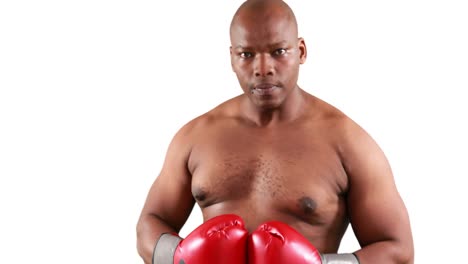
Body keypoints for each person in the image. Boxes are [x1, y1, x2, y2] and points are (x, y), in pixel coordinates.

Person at [136, 0, 414, 263]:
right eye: (247, 54)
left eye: (278, 52)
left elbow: (398, 250)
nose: (263, 69)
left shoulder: (349, 143)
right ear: (232, 58)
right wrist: (178, 257)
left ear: (301, 52)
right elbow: (150, 221)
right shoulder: (195, 137)